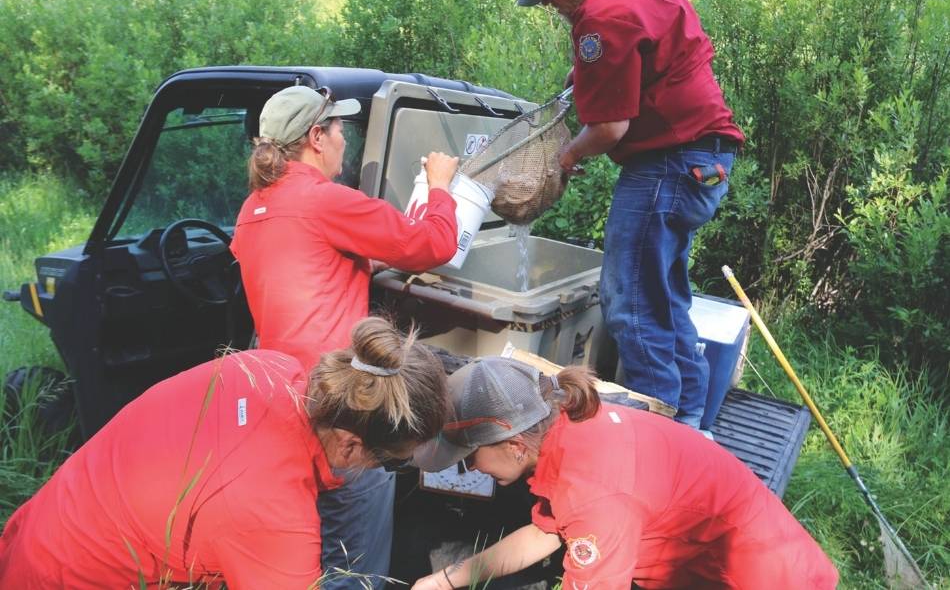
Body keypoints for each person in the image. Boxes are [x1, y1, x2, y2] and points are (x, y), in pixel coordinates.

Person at [0, 317, 448, 589]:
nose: (383, 470)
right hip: (72, 580)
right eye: (390, 461)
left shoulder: (266, 365)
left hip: (44, 529)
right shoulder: (277, 519)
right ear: (351, 444)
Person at [230, 85, 461, 584]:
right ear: (316, 137)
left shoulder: (253, 209)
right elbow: (434, 243)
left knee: (305, 541)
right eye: (338, 130)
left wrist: (357, 258)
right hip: (347, 407)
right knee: (355, 553)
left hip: (281, 402)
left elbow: (306, 264)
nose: (343, 142)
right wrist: (440, 186)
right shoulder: (326, 201)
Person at [518, 0, 746, 429]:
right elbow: (642, 57)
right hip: (707, 161)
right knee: (663, 296)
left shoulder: (600, 16)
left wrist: (564, 158)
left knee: (631, 304)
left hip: (668, 163)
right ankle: (689, 419)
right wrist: (589, 72)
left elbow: (607, 128)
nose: (546, 1)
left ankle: (657, 430)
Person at [410, 357, 839, 589]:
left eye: (469, 457)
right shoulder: (570, 430)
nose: (470, 469)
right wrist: (448, 580)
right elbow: (548, 532)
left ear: (515, 444)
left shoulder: (596, 494)